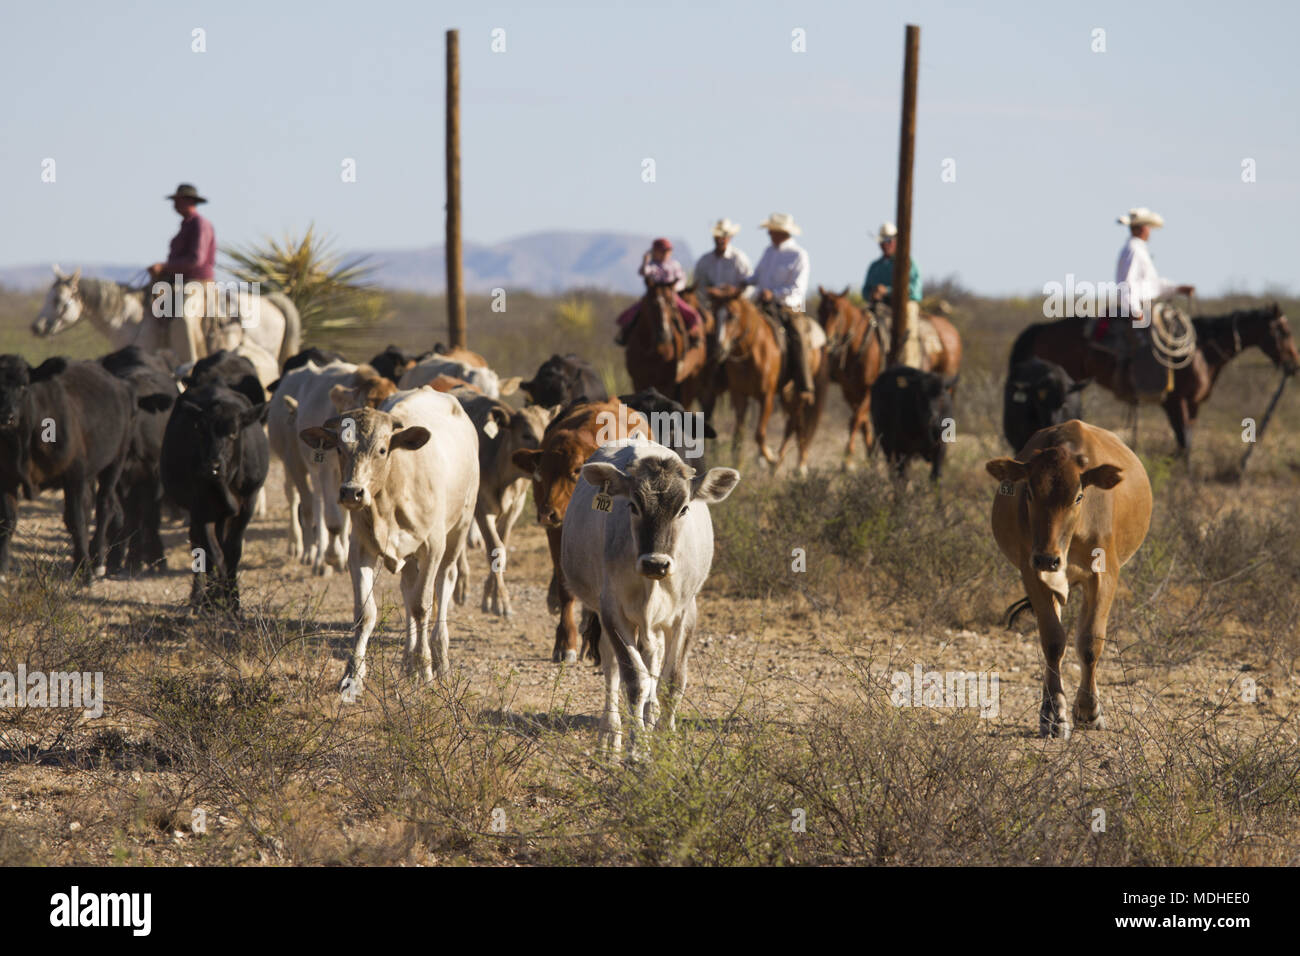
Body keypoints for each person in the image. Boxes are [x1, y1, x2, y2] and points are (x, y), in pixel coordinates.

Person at [147, 184, 216, 365]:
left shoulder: (200, 225)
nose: (174, 205)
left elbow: (196, 260)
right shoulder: (186, 225)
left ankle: (190, 366)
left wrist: (164, 267)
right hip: (178, 281)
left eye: (177, 201)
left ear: (188, 201)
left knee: (183, 317)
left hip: (198, 282)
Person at [751, 212, 814, 400]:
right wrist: (741, 283)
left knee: (797, 336)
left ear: (782, 232)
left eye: (772, 231)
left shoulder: (799, 255)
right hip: (762, 304)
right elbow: (756, 276)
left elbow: (797, 289)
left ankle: (805, 384)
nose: (769, 234)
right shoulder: (768, 252)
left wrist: (774, 294)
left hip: (787, 308)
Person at [614, 238, 703, 348]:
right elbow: (643, 272)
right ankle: (625, 333)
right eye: (662, 251)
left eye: (667, 251)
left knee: (689, 313)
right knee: (634, 312)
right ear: (654, 252)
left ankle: (693, 334)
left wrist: (674, 288)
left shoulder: (674, 264)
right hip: (653, 296)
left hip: (670, 296)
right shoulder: (652, 265)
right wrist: (645, 261)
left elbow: (682, 280)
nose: (665, 254)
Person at [862, 221, 923, 368]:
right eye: (882, 242)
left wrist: (888, 291)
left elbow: (915, 290)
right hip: (879, 306)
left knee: (907, 327)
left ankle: (909, 366)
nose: (885, 245)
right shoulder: (875, 266)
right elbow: (865, 290)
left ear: (895, 241)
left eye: (888, 241)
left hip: (903, 305)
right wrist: (873, 294)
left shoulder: (907, 262)